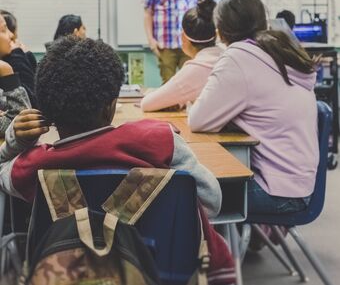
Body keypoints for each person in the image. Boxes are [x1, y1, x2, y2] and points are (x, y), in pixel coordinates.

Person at [0, 36, 235, 284]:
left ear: (47, 113)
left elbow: (2, 169)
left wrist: (16, 139)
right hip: (165, 272)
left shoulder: (34, 166)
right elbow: (212, 201)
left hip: (73, 273)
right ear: (111, 106)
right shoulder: (159, 141)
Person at [189, 0, 318, 216]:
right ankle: (246, 243)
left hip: (276, 191)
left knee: (185, 192)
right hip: (302, 185)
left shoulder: (238, 57)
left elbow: (198, 120)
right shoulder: (278, 50)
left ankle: (218, 251)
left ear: (219, 31)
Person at [141, 0, 222, 112]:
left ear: (183, 37)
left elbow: (146, 104)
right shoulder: (227, 56)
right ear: (216, 34)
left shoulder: (195, 68)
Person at [0, 15, 31, 136]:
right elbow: (24, 123)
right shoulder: (4, 68)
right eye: (3, 30)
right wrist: (7, 73)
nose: (12, 35)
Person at [0, 13, 37, 107]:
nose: (12, 35)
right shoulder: (10, 62)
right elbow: (28, 110)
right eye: (4, 29)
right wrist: (16, 54)